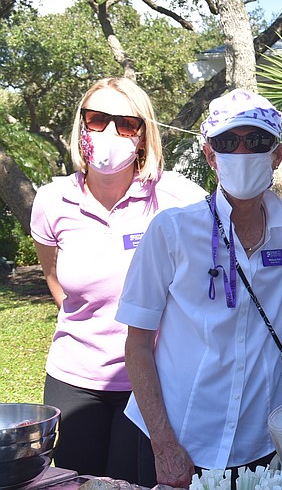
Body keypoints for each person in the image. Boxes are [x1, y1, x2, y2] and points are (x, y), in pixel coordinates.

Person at [117, 89, 282, 488]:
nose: (241, 152)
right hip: (178, 439)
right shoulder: (172, 231)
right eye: (226, 142)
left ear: (278, 154)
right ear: (208, 154)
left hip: (259, 446)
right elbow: (136, 344)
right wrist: (164, 444)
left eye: (256, 141)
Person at [29, 78, 206, 482]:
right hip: (75, 381)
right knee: (80, 482)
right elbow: (55, 281)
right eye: (97, 119)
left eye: (126, 123)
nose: (110, 133)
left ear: (143, 135)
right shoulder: (52, 200)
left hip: (154, 385)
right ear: (81, 127)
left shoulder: (178, 196)